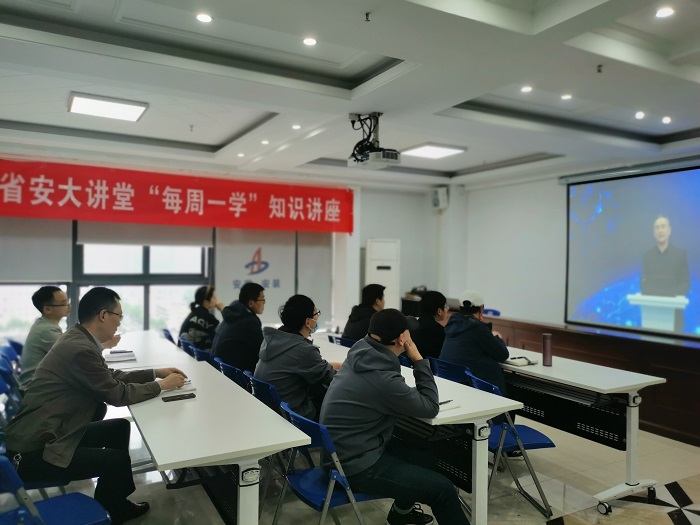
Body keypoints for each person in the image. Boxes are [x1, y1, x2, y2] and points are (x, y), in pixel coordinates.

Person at [4, 287, 187, 524]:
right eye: (119, 316)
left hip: (54, 430)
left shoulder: (78, 337)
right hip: (34, 451)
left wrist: (154, 373)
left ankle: (112, 501)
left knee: (119, 427)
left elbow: (108, 376)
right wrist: (161, 386)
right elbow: (117, 394)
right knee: (117, 461)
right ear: (103, 315)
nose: (119, 323)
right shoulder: (80, 348)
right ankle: (115, 509)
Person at [320, 309, 468, 525]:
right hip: (356, 467)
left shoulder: (361, 354)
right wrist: (418, 360)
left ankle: (400, 514)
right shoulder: (382, 378)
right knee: (443, 490)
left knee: (425, 457)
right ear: (402, 339)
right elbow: (430, 406)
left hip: (343, 453)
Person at [255, 294, 340, 421]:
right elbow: (332, 378)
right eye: (316, 313)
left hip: (270, 410)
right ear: (308, 322)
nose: (317, 317)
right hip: (293, 415)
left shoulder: (273, 340)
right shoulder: (303, 350)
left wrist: (334, 365)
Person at [19, 286, 119, 391]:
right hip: (36, 388)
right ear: (48, 309)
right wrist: (106, 344)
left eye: (68, 301)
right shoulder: (46, 331)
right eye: (64, 303)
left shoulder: (45, 325)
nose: (69, 306)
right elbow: (75, 354)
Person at [439, 290, 509, 396]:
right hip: (473, 386)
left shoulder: (452, 323)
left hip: (451, 381)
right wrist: (497, 338)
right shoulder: (478, 328)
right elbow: (503, 355)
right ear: (481, 308)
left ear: (460, 308)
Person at [641, 215, 690, 331]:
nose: (660, 230)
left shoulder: (680, 254)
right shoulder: (647, 256)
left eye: (663, 227)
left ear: (669, 230)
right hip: (652, 315)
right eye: (657, 227)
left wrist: (670, 294)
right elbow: (643, 283)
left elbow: (686, 284)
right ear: (654, 232)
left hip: (675, 317)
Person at [212, 282, 265, 372]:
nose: (264, 303)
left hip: (221, 365)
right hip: (234, 370)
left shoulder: (234, 312)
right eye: (262, 300)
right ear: (251, 303)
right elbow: (263, 348)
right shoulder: (249, 321)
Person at [178, 285, 224, 350]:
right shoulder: (209, 318)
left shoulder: (194, 312)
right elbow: (224, 333)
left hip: (185, 351)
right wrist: (223, 310)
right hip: (197, 354)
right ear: (205, 302)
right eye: (214, 298)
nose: (216, 300)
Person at [410, 291, 450, 360]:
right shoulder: (440, 331)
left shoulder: (413, 326)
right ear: (439, 311)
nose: (447, 310)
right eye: (446, 307)